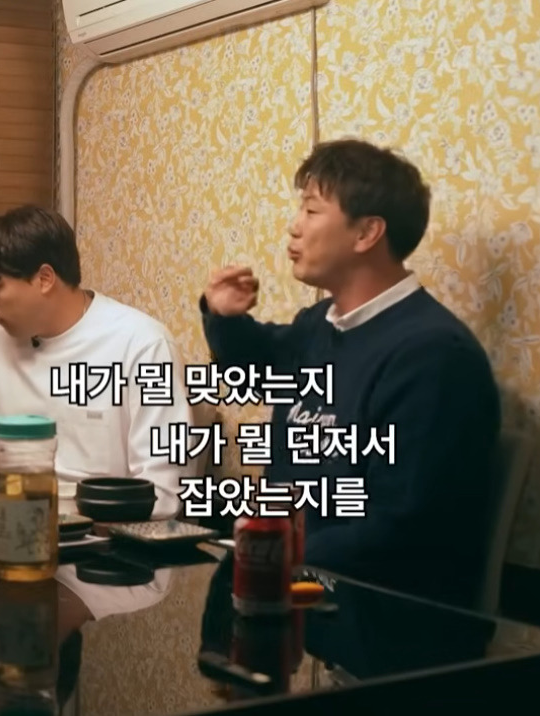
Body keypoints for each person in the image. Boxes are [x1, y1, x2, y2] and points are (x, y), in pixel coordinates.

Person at [199, 138, 502, 609]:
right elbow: (254, 367)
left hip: (377, 613)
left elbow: (401, 524)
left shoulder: (435, 356)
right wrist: (223, 317)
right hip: (295, 585)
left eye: (311, 211)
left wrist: (271, 552)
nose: (294, 226)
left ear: (366, 233)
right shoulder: (319, 324)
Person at [0, 205, 194, 519]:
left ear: (44, 278)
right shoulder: (2, 336)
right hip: (10, 522)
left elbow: (164, 494)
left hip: (102, 533)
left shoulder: (143, 345)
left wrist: (62, 512)